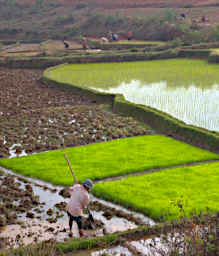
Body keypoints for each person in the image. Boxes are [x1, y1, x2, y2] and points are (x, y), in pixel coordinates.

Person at [66, 171, 93, 237]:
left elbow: (70, 188)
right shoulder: (86, 195)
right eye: (89, 187)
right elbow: (84, 206)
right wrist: (85, 207)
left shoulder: (77, 186)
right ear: (87, 187)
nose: (89, 188)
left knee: (71, 219)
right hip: (76, 212)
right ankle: (82, 237)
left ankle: (70, 231)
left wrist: (76, 186)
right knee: (79, 225)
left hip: (69, 208)